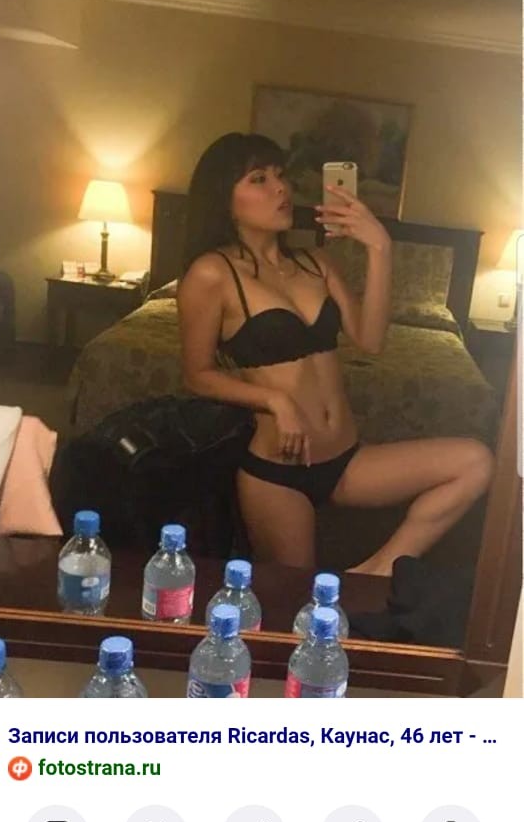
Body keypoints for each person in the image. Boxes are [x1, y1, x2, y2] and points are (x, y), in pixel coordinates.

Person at [177, 132, 493, 573]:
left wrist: (380, 247)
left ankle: (373, 573)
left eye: (281, 176)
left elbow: (371, 340)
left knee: (476, 462)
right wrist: (274, 399)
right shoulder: (213, 273)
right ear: (224, 199)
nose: (281, 188)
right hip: (277, 472)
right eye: (259, 179)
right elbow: (196, 374)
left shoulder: (316, 263)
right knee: (292, 597)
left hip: (347, 460)